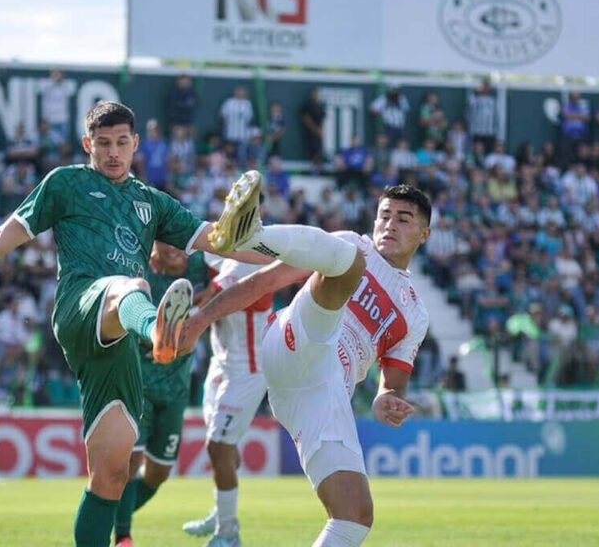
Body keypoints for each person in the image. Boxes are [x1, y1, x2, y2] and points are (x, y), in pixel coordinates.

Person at [0, 101, 265, 547]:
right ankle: (159, 331)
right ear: (88, 144)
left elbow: (222, 242)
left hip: (117, 339)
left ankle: (151, 330)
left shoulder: (152, 202)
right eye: (103, 144)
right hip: (82, 306)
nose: (113, 152)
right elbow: (2, 237)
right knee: (131, 284)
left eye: (122, 143)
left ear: (136, 144)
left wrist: (305, 254)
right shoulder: (65, 183)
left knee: (112, 474)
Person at [183, 172, 431, 546]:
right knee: (348, 258)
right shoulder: (353, 245)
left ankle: (252, 233)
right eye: (384, 215)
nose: (389, 224)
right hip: (293, 341)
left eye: (403, 218)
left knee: (355, 516)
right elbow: (263, 282)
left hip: (321, 393)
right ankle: (252, 234)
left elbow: (391, 383)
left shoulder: (415, 313)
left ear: (423, 234)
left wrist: (384, 400)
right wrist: (201, 319)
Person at [113, 241, 210, 547]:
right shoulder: (140, 275)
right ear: (154, 248)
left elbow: (218, 284)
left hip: (176, 390)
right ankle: (123, 536)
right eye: (169, 247)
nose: (178, 254)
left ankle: (105, 514)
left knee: (158, 473)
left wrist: (206, 301)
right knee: (131, 461)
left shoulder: (196, 267)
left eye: (182, 248)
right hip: (138, 384)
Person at [181, 256, 273, 545]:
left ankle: (228, 533)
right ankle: (221, 512)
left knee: (219, 446)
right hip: (220, 364)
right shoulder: (216, 246)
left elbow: (210, 298)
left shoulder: (250, 257)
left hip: (248, 369)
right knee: (222, 446)